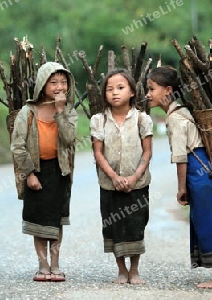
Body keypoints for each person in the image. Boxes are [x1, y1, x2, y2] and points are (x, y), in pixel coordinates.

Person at [146, 65, 212, 289]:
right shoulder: (183, 110)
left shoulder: (176, 118)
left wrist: (181, 187)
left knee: (209, 219)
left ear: (167, 90)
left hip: (197, 170)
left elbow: (181, 157)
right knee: (208, 217)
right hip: (205, 168)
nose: (147, 94)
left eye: (151, 89)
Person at [11, 62, 77, 282]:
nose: (60, 86)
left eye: (63, 82)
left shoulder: (68, 110)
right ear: (42, 84)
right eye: (54, 82)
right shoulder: (27, 112)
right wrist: (29, 174)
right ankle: (43, 265)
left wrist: (60, 112)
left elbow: (69, 139)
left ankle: (56, 265)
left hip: (59, 171)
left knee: (56, 221)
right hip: (36, 170)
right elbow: (17, 146)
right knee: (39, 222)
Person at [90, 68, 153, 284]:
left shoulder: (142, 120)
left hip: (138, 185)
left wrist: (134, 177)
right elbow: (98, 152)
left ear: (133, 92)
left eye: (120, 87)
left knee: (136, 224)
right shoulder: (99, 120)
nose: (115, 92)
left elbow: (147, 152)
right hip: (110, 185)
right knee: (113, 225)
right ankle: (121, 270)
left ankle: (134, 270)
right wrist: (114, 177)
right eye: (110, 89)